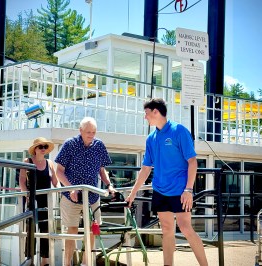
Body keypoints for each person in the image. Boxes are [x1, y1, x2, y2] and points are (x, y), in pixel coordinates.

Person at [126, 98, 208, 266]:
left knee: (186, 229)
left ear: (156, 112)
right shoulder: (151, 138)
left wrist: (189, 190)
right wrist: (133, 193)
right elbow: (146, 168)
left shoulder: (179, 131)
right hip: (160, 190)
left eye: (147, 114)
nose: (145, 117)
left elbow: (192, 161)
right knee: (167, 230)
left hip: (180, 191)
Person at [55, 117, 116, 266]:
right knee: (72, 230)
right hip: (72, 196)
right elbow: (59, 172)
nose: (91, 135)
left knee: (92, 229)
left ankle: (86, 263)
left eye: (93, 132)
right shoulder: (70, 144)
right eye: (88, 132)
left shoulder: (99, 145)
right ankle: (67, 263)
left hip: (93, 196)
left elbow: (102, 170)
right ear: (80, 130)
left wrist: (109, 184)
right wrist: (71, 188)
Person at [19, 137, 58, 266]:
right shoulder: (27, 161)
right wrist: (27, 195)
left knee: (45, 229)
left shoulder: (50, 163)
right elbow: (22, 181)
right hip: (31, 199)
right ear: (35, 149)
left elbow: (55, 182)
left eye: (45, 147)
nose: (43, 149)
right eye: (40, 147)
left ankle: (44, 260)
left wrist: (55, 175)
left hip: (46, 200)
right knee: (31, 228)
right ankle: (30, 259)